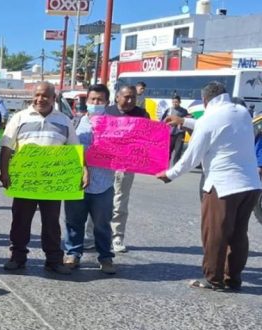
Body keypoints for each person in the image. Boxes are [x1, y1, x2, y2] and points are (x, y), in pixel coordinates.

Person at [157, 81, 261, 292]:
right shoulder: (241, 112)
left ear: (205, 100)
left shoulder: (209, 119)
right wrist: (183, 121)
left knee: (215, 234)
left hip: (223, 187)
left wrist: (169, 174)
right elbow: (216, 127)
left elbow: (190, 158)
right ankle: (233, 278)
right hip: (250, 185)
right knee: (239, 234)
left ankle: (214, 279)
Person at [0, 82, 83, 275]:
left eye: (45, 96)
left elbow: (73, 150)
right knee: (20, 220)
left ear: (54, 98)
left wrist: (81, 172)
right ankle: (17, 257)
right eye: (37, 95)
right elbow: (7, 147)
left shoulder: (64, 121)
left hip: (53, 183)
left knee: (52, 222)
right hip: (25, 181)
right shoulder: (19, 118)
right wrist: (4, 172)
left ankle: (53, 260)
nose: (40, 99)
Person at [62, 84, 117, 274]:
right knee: (73, 221)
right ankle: (72, 254)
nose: (95, 103)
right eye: (92, 99)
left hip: (104, 184)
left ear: (107, 102)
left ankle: (106, 257)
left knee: (102, 224)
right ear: (87, 101)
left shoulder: (116, 126)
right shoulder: (74, 123)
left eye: (100, 100)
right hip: (76, 183)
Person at [104, 85, 150, 253]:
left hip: (126, 164)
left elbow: (148, 140)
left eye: (133, 98)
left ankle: (117, 236)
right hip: (104, 163)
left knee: (120, 201)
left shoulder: (142, 114)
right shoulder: (106, 112)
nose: (130, 101)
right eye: (126, 97)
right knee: (98, 200)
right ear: (117, 97)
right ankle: (91, 235)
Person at [161, 95, 189, 165]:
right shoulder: (168, 110)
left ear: (180, 102)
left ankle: (176, 166)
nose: (174, 103)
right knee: (168, 151)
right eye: (173, 102)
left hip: (180, 133)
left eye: (176, 102)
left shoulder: (184, 111)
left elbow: (187, 120)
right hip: (170, 133)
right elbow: (162, 121)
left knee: (178, 150)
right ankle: (165, 165)